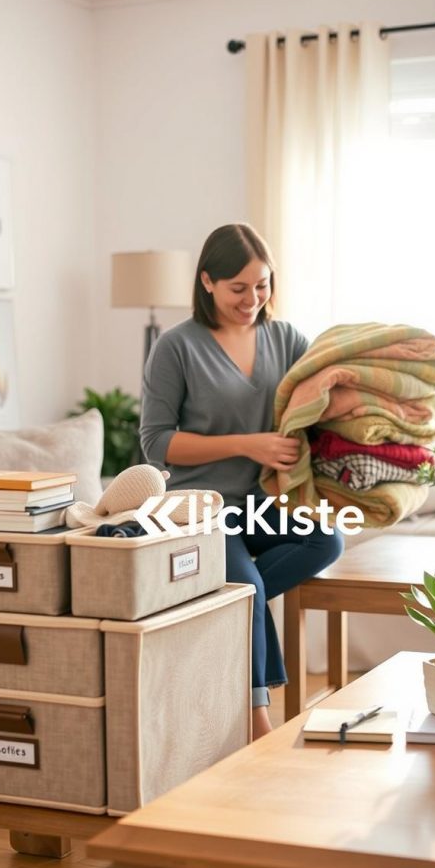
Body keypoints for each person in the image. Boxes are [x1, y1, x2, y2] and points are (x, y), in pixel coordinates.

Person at [140, 224, 343, 739]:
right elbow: (156, 443)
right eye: (238, 288)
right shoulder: (176, 347)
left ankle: (214, 607)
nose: (253, 299)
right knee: (249, 586)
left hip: (262, 499)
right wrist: (247, 443)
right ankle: (257, 721)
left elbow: (313, 410)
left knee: (325, 538)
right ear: (207, 281)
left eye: (262, 285)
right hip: (202, 504)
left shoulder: (287, 338)